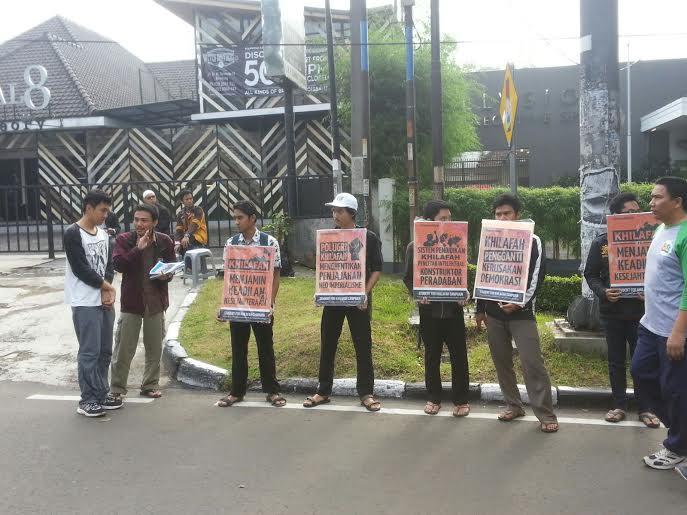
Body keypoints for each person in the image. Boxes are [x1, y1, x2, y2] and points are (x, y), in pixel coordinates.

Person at [475, 193, 559, 433]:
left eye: (507, 213)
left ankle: (545, 413)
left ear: (517, 215)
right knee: (501, 361)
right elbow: (483, 273)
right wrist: (480, 308)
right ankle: (513, 405)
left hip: (522, 314)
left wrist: (520, 303)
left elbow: (536, 277)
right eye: (498, 214)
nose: (502, 217)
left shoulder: (533, 241)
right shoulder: (488, 239)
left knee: (532, 362)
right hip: (493, 313)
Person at [583, 192, 659, 427]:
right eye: (628, 212)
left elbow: (663, 274)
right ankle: (618, 405)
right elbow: (591, 274)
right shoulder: (602, 242)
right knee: (616, 361)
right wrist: (604, 292)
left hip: (643, 314)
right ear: (615, 215)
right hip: (612, 313)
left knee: (643, 361)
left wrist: (650, 291)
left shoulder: (652, 240)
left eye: (638, 211)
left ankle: (646, 407)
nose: (635, 215)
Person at [303, 193, 384, 412]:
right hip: (333, 300)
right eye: (333, 211)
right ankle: (323, 390)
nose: (335, 215)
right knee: (328, 344)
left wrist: (364, 293)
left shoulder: (369, 237)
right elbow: (325, 268)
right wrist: (321, 291)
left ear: (352, 213)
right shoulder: (329, 237)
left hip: (358, 302)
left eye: (339, 211)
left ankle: (366, 392)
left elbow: (377, 269)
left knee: (362, 346)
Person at [631, 176, 687, 471]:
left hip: (672, 332)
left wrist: (678, 333)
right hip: (650, 326)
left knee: (675, 389)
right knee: (641, 373)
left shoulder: (685, 234)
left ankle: (677, 445)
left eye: (657, 198)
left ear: (677, 201)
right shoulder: (662, 229)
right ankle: (681, 433)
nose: (650, 203)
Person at [403, 200, 470, 417]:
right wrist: (417, 293)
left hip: (454, 311)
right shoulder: (415, 247)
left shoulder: (457, 242)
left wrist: (464, 293)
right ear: (430, 220)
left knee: (459, 355)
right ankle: (433, 398)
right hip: (429, 312)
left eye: (450, 218)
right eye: (443, 218)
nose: (448, 222)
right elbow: (408, 278)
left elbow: (462, 274)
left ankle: (461, 400)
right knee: (432, 355)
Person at [216, 200, 285, 408]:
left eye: (240, 217)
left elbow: (276, 275)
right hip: (238, 305)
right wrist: (224, 305)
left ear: (252, 218)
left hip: (260, 306)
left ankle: (272, 391)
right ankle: (236, 392)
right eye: (234, 217)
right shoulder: (231, 243)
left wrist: (270, 304)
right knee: (238, 349)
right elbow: (229, 277)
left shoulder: (269, 242)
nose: (236, 222)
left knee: (265, 348)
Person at [63, 189, 122, 417]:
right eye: (102, 210)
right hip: (84, 302)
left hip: (103, 299)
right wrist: (106, 287)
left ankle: (101, 392)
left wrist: (107, 288)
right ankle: (87, 399)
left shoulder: (104, 234)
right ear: (89, 208)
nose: (106, 214)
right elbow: (80, 269)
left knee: (105, 350)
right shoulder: (72, 233)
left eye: (107, 210)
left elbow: (108, 265)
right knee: (89, 351)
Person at [110, 203, 176, 400]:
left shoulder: (165, 241)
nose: (139, 224)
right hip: (132, 302)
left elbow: (171, 267)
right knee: (123, 348)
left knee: (154, 348)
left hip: (155, 302)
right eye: (136, 219)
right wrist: (137, 250)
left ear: (154, 222)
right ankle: (117, 388)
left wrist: (167, 275)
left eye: (144, 220)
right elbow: (119, 264)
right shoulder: (124, 240)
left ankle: (149, 385)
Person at [174, 189, 208, 271]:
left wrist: (186, 235)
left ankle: (190, 268)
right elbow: (179, 229)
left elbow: (194, 225)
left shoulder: (198, 210)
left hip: (199, 237)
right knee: (176, 242)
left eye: (191, 198)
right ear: (182, 201)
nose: (189, 201)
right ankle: (187, 266)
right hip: (187, 238)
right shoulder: (180, 214)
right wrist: (177, 243)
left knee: (187, 241)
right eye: (187, 199)